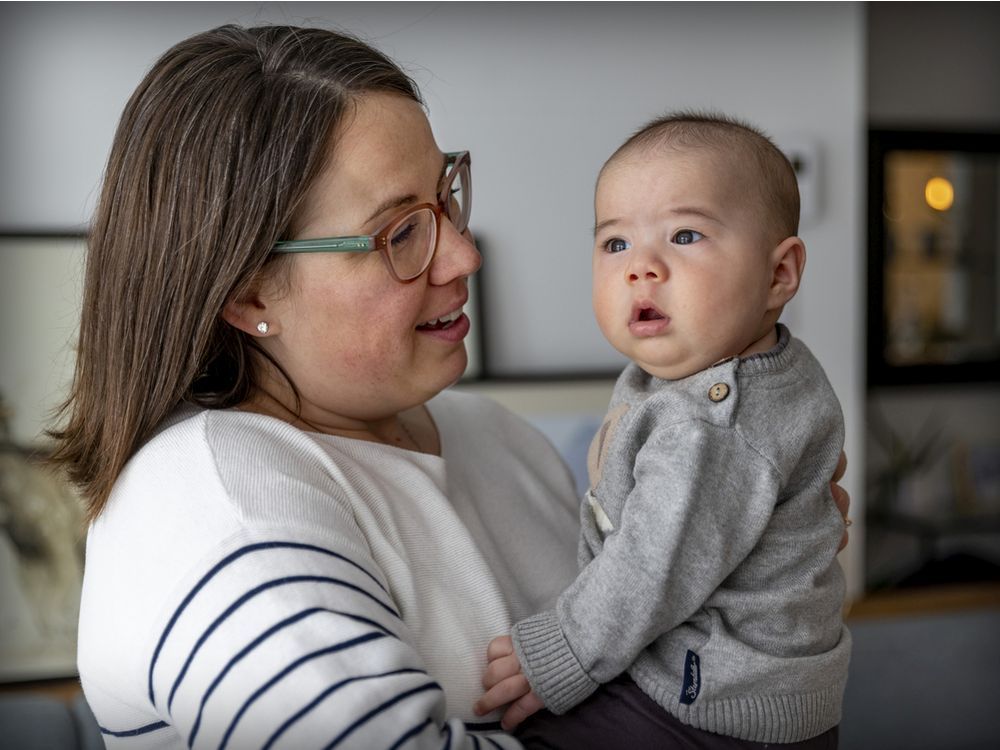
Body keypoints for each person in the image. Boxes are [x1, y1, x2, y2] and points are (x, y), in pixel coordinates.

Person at [47, 25, 850, 750]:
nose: (464, 255)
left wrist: (751, 554)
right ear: (251, 293)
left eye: (448, 196)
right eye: (401, 232)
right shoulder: (217, 504)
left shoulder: (493, 436)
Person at [475, 113, 852, 749]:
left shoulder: (712, 420)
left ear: (779, 274)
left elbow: (653, 564)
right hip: (731, 684)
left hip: (710, 705)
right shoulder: (709, 375)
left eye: (684, 234)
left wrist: (562, 651)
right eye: (615, 243)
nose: (641, 267)